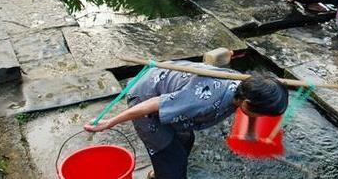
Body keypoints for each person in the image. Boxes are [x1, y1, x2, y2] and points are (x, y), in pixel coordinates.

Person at [84, 60, 288, 179]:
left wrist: (250, 133)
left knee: (185, 139)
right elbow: (153, 104)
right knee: (172, 161)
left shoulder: (245, 85)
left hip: (172, 89)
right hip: (146, 99)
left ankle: (160, 173)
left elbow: (253, 108)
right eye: (262, 114)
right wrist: (110, 122)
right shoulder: (205, 99)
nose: (262, 118)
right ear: (247, 102)